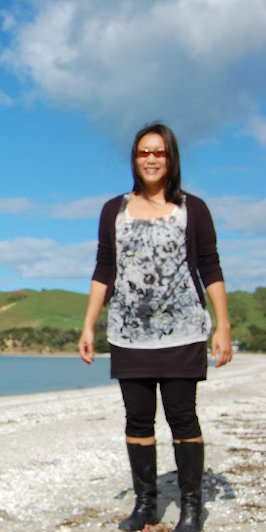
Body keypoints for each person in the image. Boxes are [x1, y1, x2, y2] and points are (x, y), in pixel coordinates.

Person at [78, 122, 233, 532]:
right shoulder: (114, 210)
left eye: (159, 152)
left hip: (183, 331)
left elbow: (210, 267)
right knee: (137, 419)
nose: (151, 159)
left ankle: (191, 509)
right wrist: (89, 326)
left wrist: (223, 325)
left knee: (183, 418)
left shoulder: (193, 209)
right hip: (128, 333)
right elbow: (104, 268)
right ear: (134, 158)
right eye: (143, 152)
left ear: (171, 157)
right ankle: (145, 504)